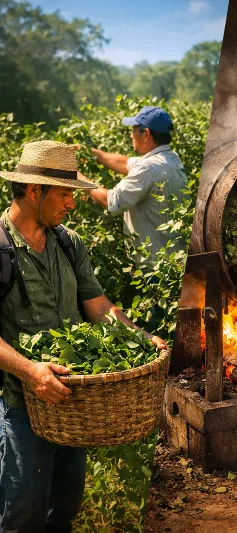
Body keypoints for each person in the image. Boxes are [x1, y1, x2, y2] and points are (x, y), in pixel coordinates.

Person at [0, 140, 167, 532]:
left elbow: (99, 306)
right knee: (23, 510)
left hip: (73, 407)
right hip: (24, 406)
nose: (72, 205)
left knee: (66, 502)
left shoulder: (66, 242)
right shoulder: (1, 248)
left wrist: (141, 337)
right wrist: (30, 370)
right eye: (64, 195)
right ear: (33, 190)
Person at [81, 105, 188, 263]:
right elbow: (125, 163)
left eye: (133, 130)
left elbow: (111, 200)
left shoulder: (147, 169)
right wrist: (92, 154)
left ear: (146, 134)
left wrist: (77, 177)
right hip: (172, 263)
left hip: (152, 268)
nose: (131, 135)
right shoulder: (170, 158)